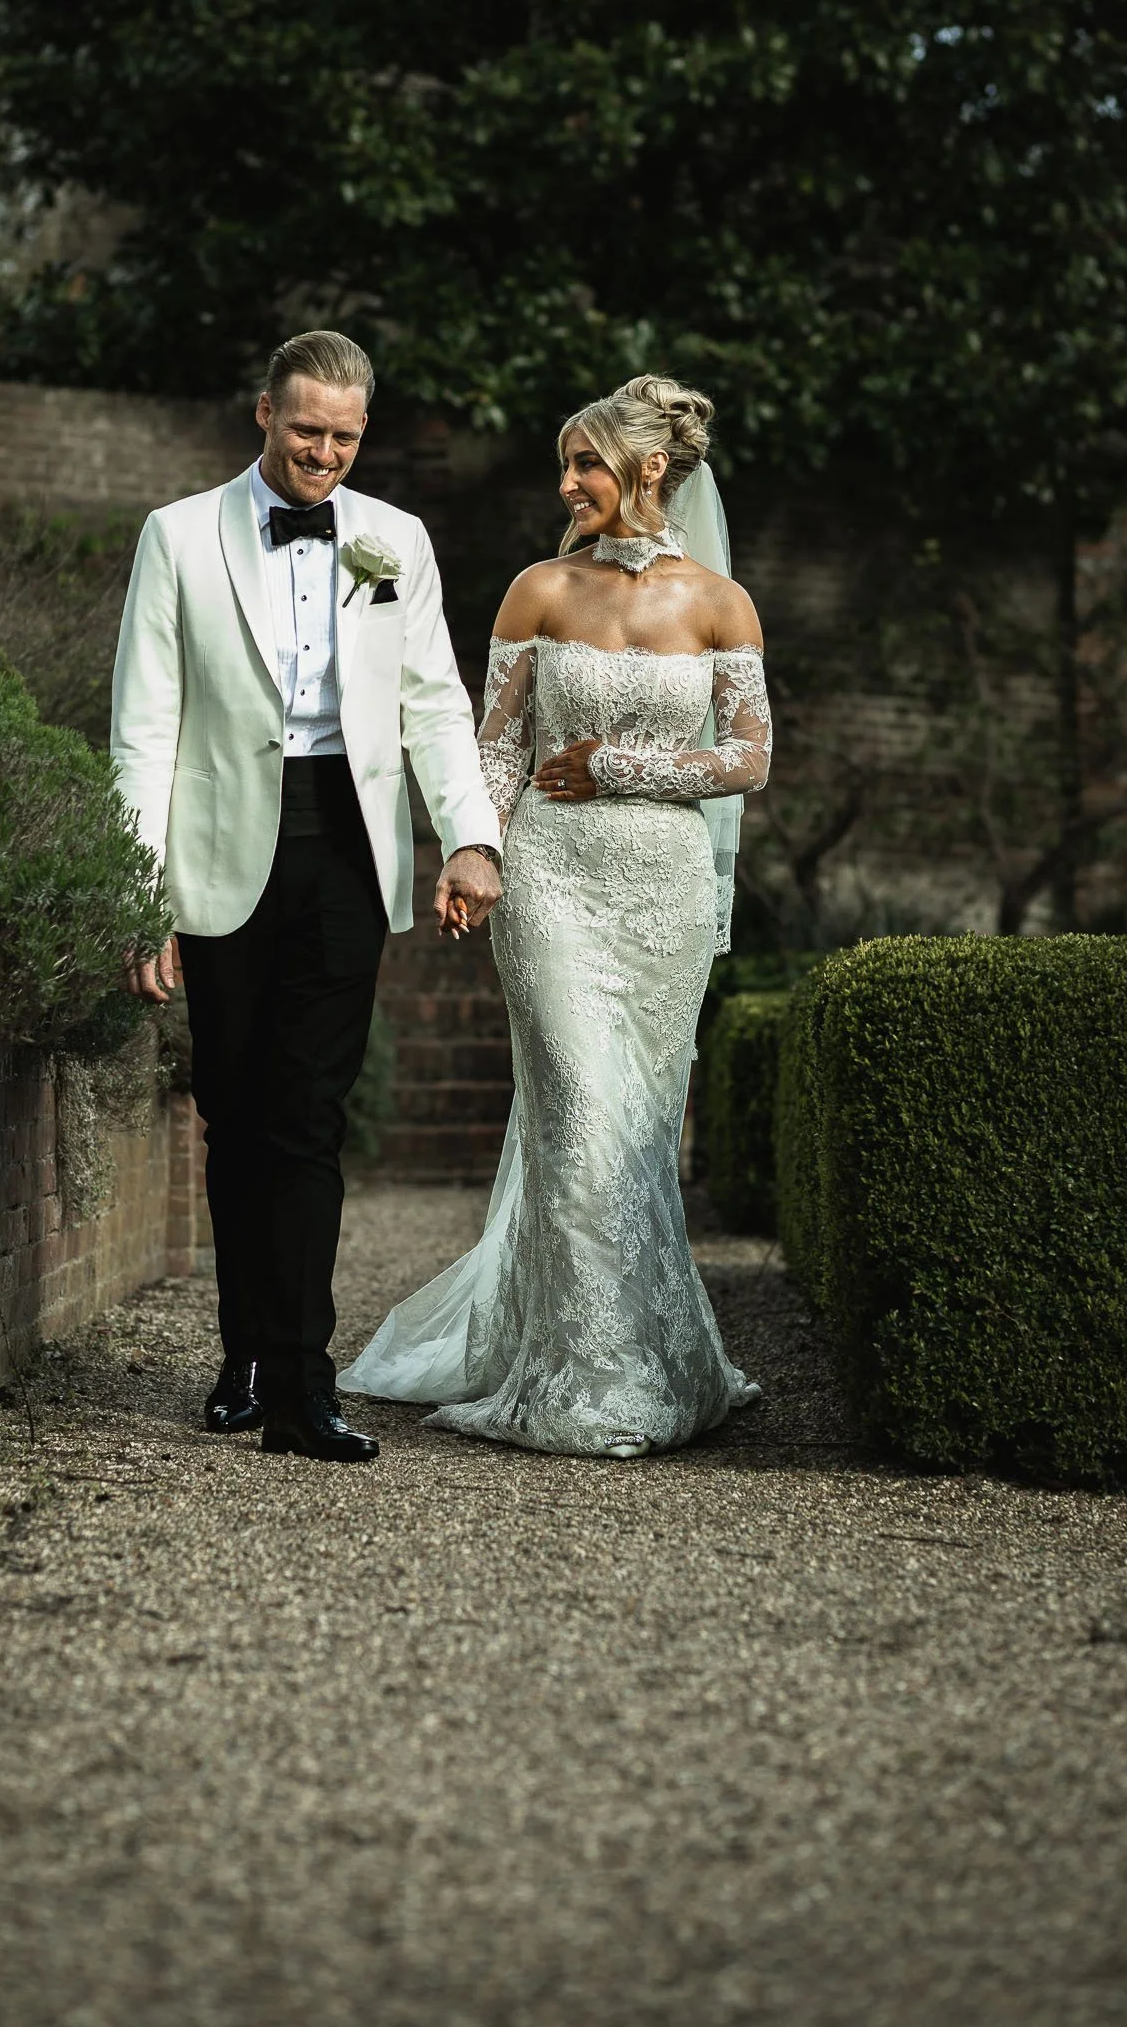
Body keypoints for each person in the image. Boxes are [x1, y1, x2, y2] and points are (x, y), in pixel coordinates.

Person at [339, 375, 771, 1458]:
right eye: (566, 463)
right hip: (551, 884)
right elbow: (494, 743)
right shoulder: (536, 588)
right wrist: (473, 848)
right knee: (576, 1105)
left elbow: (752, 757)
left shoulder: (720, 603)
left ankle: (660, 1357)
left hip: (663, 890)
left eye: (586, 464)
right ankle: (594, 1378)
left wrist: (618, 764)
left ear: (650, 469)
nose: (567, 483)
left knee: (633, 1131)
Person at [111, 330, 503, 1462]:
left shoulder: (398, 541)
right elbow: (144, 727)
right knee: (234, 1105)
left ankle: (299, 1383)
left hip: (347, 842)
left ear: (362, 432)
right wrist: (139, 892)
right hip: (218, 846)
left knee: (305, 1117)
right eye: (304, 431)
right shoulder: (178, 536)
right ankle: (241, 1348)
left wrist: (468, 837)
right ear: (263, 416)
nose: (323, 453)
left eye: (342, 436)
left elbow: (434, 700)